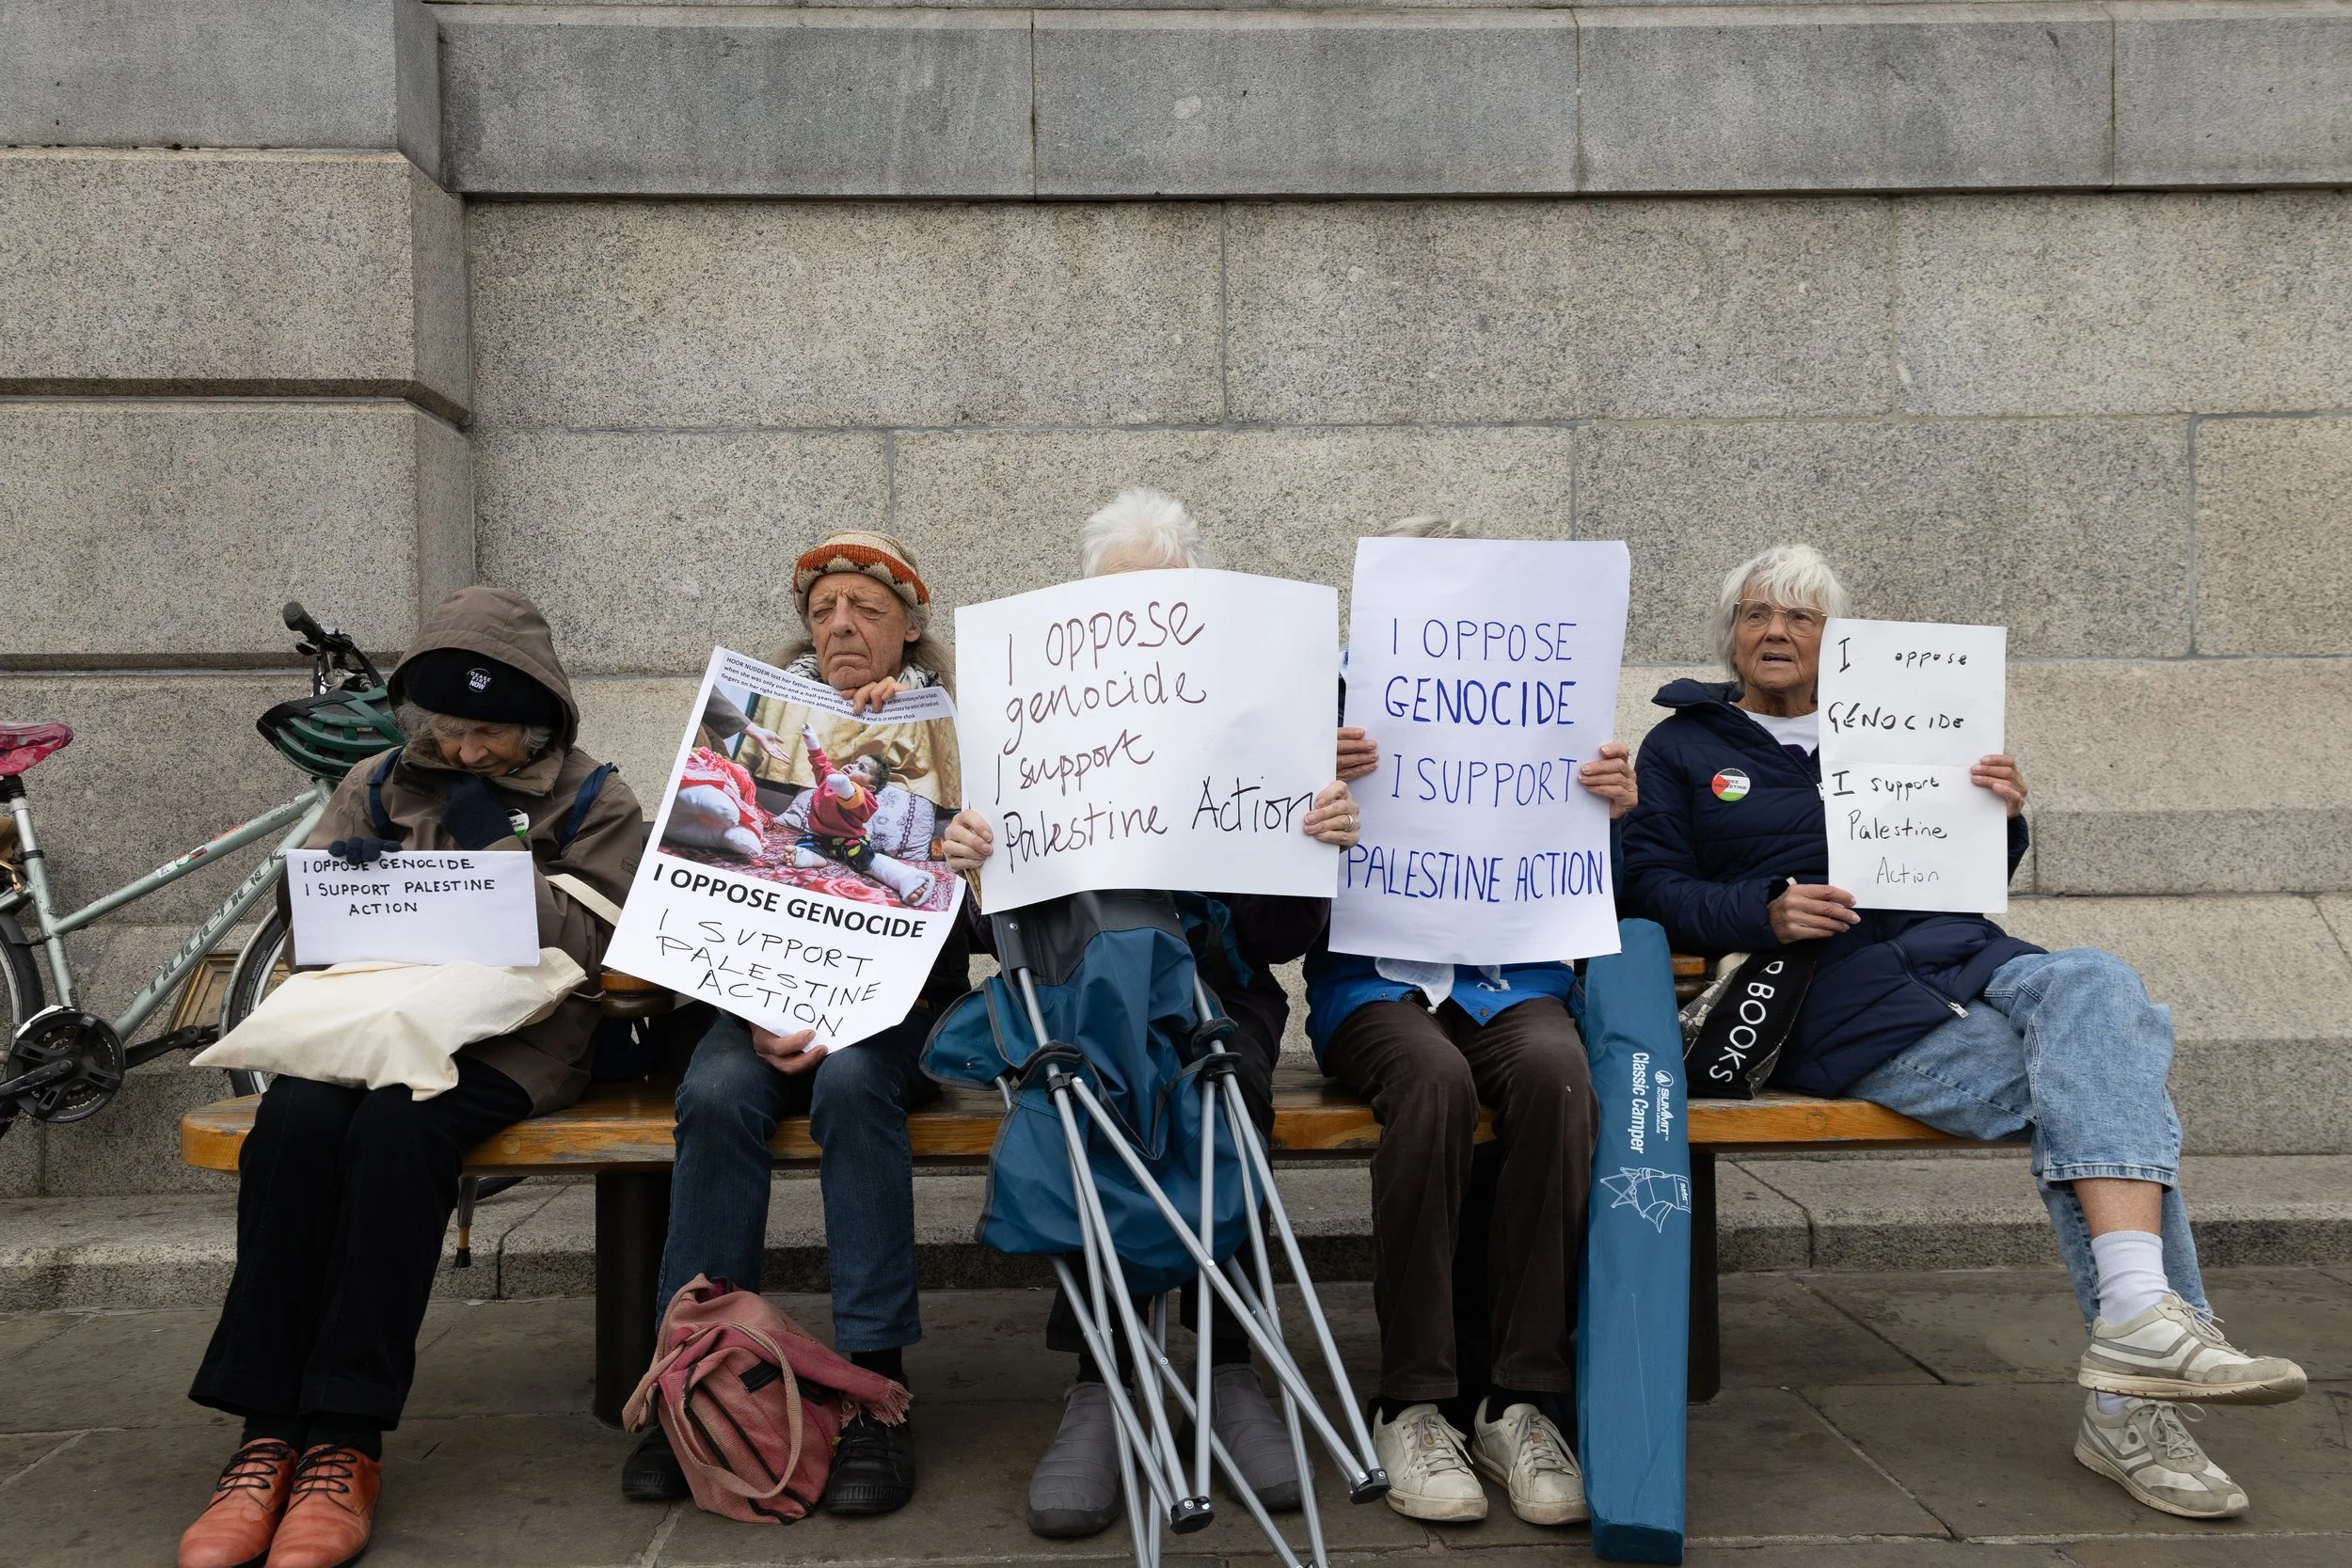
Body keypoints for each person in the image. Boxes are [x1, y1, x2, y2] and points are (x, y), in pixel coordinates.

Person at [1620, 543, 2308, 1522]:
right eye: (1755, 614)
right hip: (1828, 1000)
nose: (1774, 631)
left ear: (1835, 638)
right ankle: (2133, 1388)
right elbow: (1646, 888)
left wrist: (1998, 815)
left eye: (1799, 617)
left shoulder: (1907, 718)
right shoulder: (1683, 746)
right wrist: (1759, 910)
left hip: (1964, 955)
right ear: (1728, 633)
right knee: (2109, 1099)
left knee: (2099, 985)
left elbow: (1965, 871)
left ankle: (2136, 1330)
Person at [179, 588, 644, 1568]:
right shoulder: (376, 779)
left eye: (490, 732)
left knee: (400, 1135)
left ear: (538, 720)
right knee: (296, 1124)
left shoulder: (597, 795)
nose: (469, 751)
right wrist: (340, 881)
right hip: (368, 1019)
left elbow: (612, 945)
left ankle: (345, 1438)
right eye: (451, 729)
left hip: (514, 1040)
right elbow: (308, 933)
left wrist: (493, 866)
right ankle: (266, 1433)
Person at [941, 486, 1365, 1539]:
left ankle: (1229, 1368)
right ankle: (1106, 1380)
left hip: (1217, 990)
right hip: (1077, 983)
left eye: (1159, 606)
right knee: (1089, 1091)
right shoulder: (1032, 715)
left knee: (1220, 1089)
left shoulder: (1259, 716)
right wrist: (971, 862)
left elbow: (1282, 937)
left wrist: (1312, 831)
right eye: (1111, 608)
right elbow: (991, 932)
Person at [621, 531, 966, 1516]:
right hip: (762, 997)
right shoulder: (757, 724)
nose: (842, 624)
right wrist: (758, 1001)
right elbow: (711, 892)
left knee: (856, 1085)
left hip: (898, 1007)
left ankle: (873, 1386)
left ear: (909, 625)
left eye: (864, 606)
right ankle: (695, 1372)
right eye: (823, 611)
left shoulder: (957, 730)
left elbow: (987, 912)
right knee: (719, 1086)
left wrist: (969, 833)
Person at [1299, 514, 1631, 1528]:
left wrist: (1619, 804)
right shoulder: (1323, 698)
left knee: (1558, 1076)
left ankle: (1518, 1394)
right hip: (1375, 981)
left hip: (1509, 973)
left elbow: (1591, 862)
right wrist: (1312, 798)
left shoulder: (1546, 691)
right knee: (1434, 1085)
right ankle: (1414, 1397)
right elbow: (1258, 873)